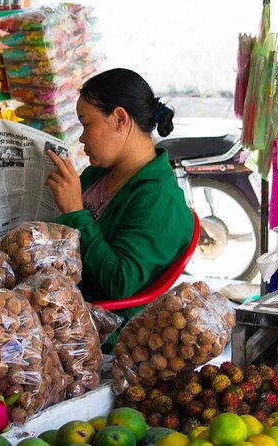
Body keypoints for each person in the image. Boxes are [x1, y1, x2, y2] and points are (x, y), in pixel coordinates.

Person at [45, 68, 194, 324]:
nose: (81, 137)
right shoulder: (97, 174)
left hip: (102, 328)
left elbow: (118, 283)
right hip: (57, 301)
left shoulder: (159, 199)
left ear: (120, 119)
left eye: (86, 124)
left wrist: (74, 213)